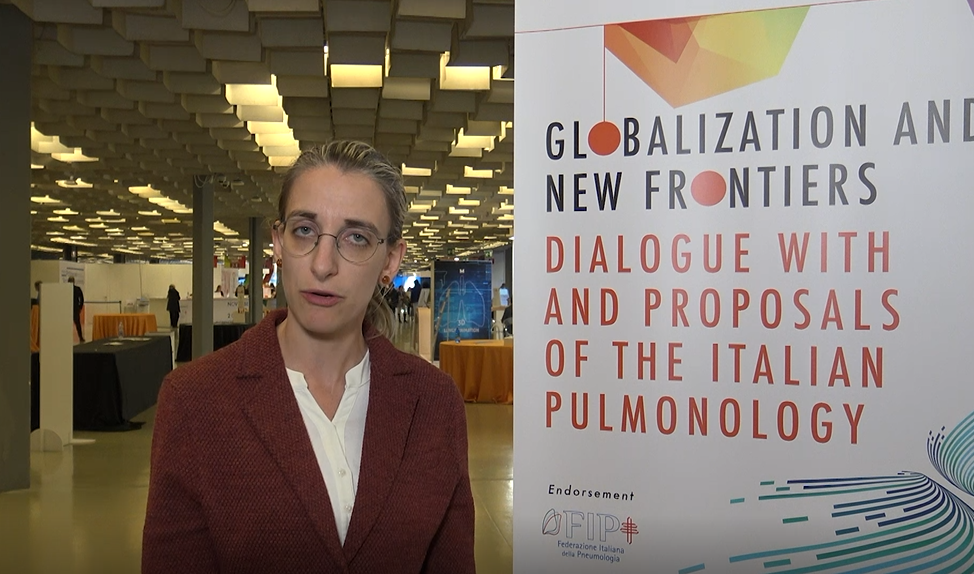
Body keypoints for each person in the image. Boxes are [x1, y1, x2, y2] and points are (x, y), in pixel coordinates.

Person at [143, 140, 475, 573]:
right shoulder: (194, 401)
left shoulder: (434, 402)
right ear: (278, 244)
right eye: (304, 230)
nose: (322, 264)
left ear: (390, 261)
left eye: (356, 238)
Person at [68, 276, 84, 342]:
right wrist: (80, 307)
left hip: (68, 308)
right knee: (78, 324)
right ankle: (81, 337)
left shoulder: (66, 289)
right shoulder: (77, 289)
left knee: (68, 324)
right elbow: (82, 299)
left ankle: (67, 337)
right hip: (76, 308)